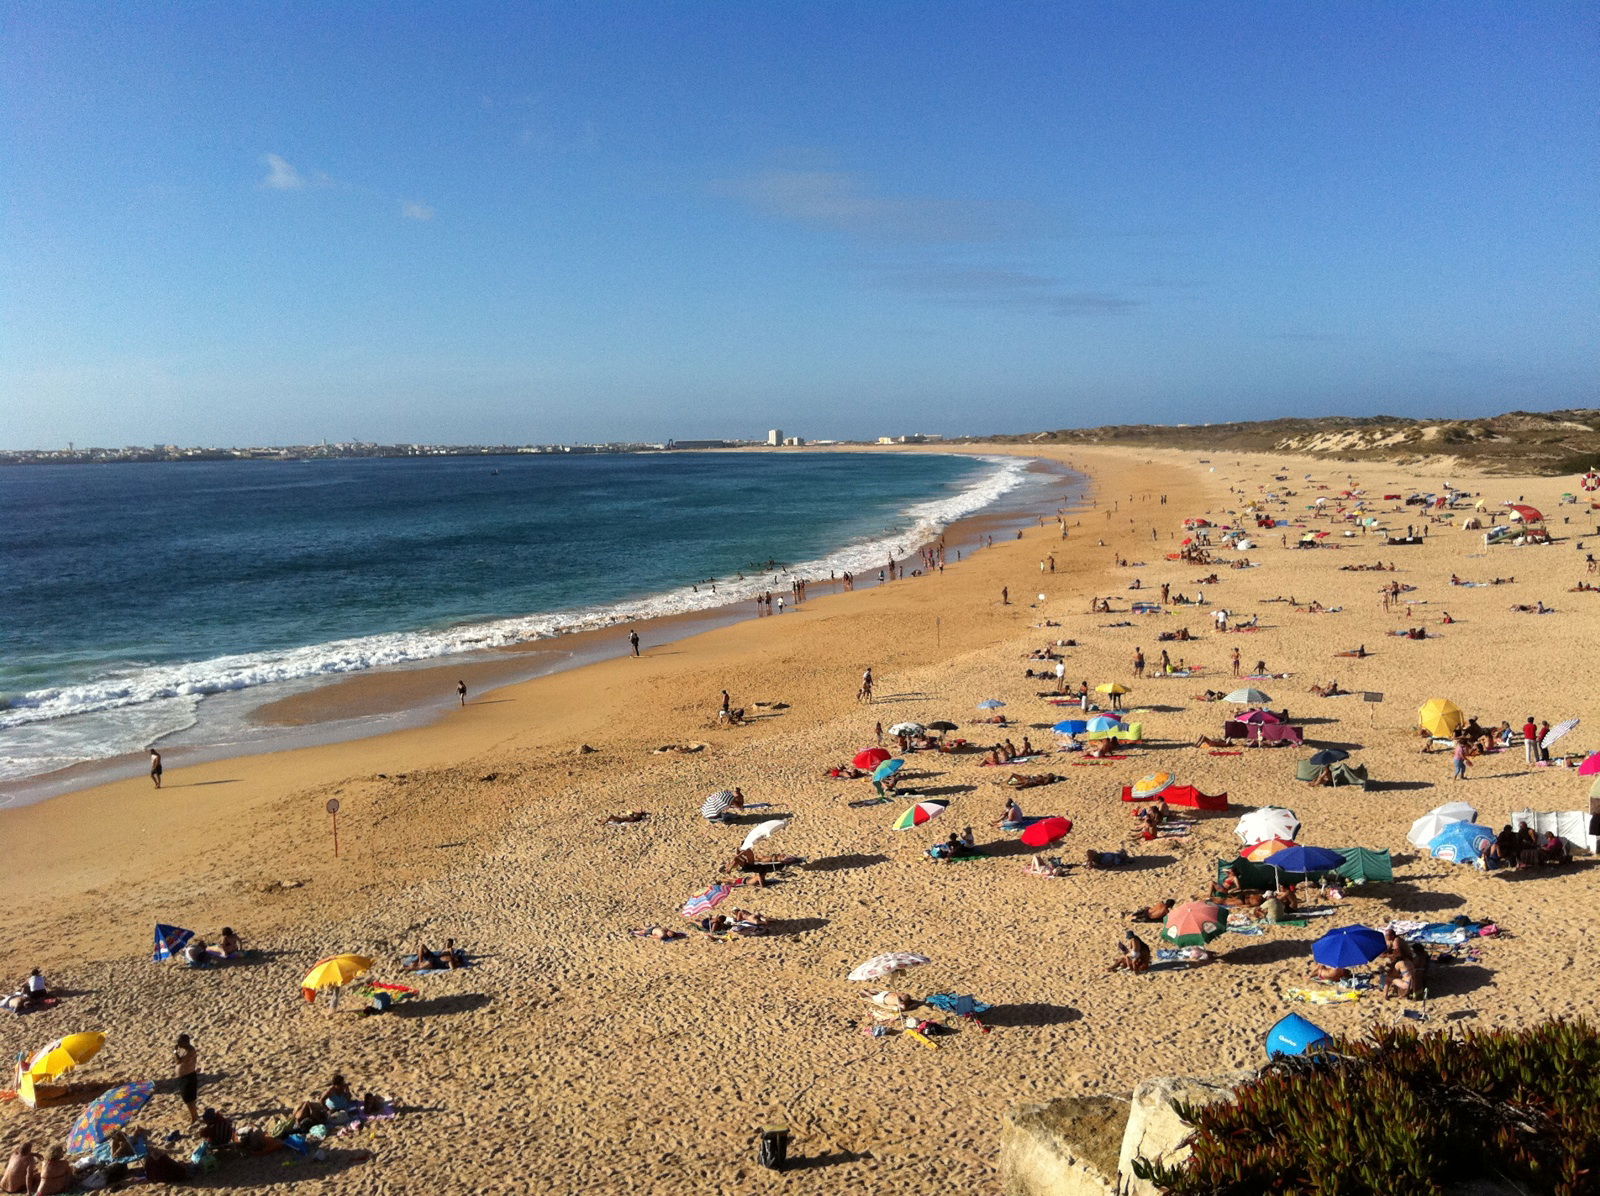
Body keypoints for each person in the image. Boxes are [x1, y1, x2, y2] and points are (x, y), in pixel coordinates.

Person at [174, 1033, 200, 1124]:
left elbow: (178, 1061)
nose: (178, 1043)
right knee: (188, 1099)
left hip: (189, 1077)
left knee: (189, 1099)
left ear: (186, 1042)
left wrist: (174, 1052)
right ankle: (194, 1115)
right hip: (183, 1077)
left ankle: (194, 1117)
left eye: (180, 1042)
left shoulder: (190, 1050)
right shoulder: (182, 1049)